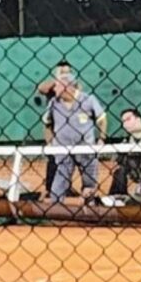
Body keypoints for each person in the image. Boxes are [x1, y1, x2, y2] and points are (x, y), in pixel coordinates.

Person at [43, 74, 107, 203]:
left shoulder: (88, 100)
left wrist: (102, 138)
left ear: (67, 87)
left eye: (57, 86)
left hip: (86, 149)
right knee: (59, 184)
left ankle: (89, 207)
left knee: (89, 184)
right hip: (63, 149)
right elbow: (47, 123)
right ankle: (56, 207)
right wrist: (50, 142)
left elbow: (102, 119)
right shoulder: (54, 103)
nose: (54, 89)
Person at [37, 61, 73, 197]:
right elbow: (42, 89)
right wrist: (57, 80)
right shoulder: (52, 87)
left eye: (67, 72)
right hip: (54, 126)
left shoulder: (73, 86)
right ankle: (49, 188)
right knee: (53, 157)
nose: (64, 75)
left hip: (70, 126)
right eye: (62, 72)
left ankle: (66, 186)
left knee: (69, 158)